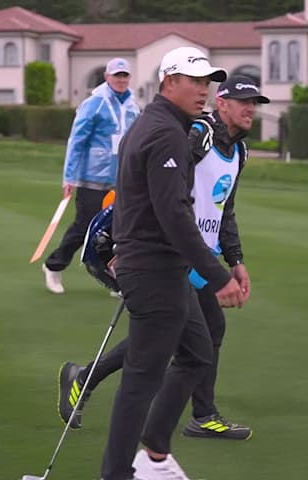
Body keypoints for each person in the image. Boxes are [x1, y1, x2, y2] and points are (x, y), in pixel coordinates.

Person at [58, 75, 268, 442]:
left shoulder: (240, 150)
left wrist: (235, 259)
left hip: (199, 254)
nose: (251, 108)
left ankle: (86, 377)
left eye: (255, 102)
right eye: (244, 101)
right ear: (222, 103)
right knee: (186, 334)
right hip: (174, 251)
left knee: (178, 334)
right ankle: (194, 418)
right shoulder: (198, 135)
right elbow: (152, 183)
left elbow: (224, 208)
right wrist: (127, 243)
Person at [96, 46, 245, 480]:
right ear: (169, 82)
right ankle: (117, 474)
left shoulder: (158, 125)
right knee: (142, 379)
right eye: (194, 81)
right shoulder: (165, 132)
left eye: (207, 83)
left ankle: (155, 452)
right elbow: (173, 214)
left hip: (161, 269)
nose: (203, 90)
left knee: (198, 353)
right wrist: (218, 276)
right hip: (154, 271)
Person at [42, 58, 140, 294]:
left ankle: (115, 279)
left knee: (119, 231)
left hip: (121, 180)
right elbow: (76, 140)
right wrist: (69, 177)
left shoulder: (133, 106)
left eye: (125, 75)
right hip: (92, 178)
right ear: (107, 77)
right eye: (117, 75)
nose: (121, 79)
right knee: (85, 227)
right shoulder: (94, 103)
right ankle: (53, 265)